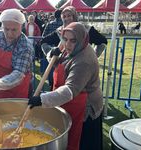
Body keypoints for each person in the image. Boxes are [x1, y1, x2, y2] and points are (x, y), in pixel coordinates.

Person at [28, 22, 103, 150]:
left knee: (81, 142)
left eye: (72, 40)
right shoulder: (72, 48)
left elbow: (69, 90)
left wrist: (42, 99)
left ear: (82, 39)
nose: (67, 44)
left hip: (85, 108)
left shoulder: (84, 61)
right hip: (69, 102)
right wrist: (52, 53)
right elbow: (57, 60)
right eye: (65, 39)